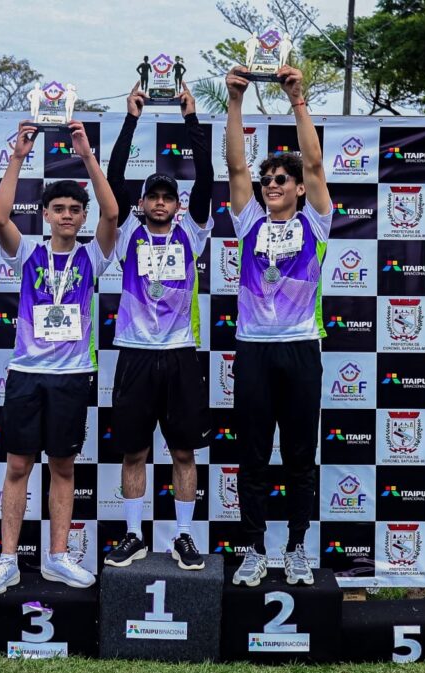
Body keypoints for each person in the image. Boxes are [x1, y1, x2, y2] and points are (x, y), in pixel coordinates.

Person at [0, 120, 118, 594]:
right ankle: (8, 560)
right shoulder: (27, 254)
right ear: (44, 214)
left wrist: (86, 156)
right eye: (58, 208)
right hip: (26, 373)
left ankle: (58, 556)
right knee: (18, 466)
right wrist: (18, 156)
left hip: (73, 375)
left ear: (82, 216)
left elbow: (113, 213)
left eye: (74, 210)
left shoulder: (93, 257)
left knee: (63, 467)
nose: (66, 215)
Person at [224, 65, 332, 587]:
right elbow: (235, 167)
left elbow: (314, 162)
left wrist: (297, 100)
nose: (270, 184)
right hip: (253, 350)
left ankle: (296, 548)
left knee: (298, 458)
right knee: (251, 457)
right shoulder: (249, 222)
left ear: (298, 189)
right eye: (266, 180)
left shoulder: (315, 221)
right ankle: (253, 549)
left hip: (300, 348)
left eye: (280, 180)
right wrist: (234, 101)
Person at [102, 82, 214, 571]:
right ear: (143, 202)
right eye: (154, 197)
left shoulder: (193, 231)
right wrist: (132, 118)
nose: (161, 203)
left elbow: (206, 175)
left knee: (183, 452)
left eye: (169, 197)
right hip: (134, 353)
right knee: (134, 452)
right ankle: (133, 535)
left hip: (180, 355)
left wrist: (191, 119)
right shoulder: (127, 231)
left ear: (178, 204)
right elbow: (113, 176)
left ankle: (183, 537)